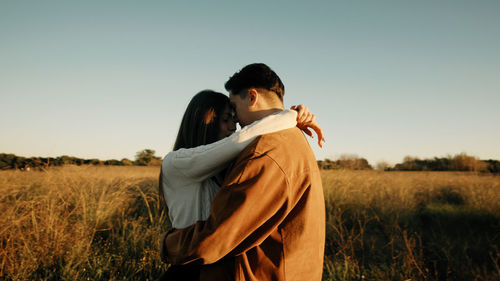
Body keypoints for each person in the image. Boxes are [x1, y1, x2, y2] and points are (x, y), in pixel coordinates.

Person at [161, 63, 326, 281]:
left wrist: (167, 245)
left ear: (252, 97)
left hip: (242, 269)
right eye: (225, 118)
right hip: (206, 268)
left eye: (234, 109)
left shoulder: (265, 150)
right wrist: (289, 116)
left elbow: (215, 238)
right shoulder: (284, 141)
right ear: (205, 122)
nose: (235, 123)